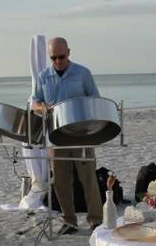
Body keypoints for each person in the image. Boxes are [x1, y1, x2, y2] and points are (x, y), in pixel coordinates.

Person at [30, 37, 103, 235]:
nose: (58, 62)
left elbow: (95, 99)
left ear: (69, 53)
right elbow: (33, 101)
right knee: (61, 181)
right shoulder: (44, 76)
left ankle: (96, 220)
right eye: (53, 58)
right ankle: (69, 221)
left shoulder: (82, 73)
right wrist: (41, 106)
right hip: (56, 135)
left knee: (88, 178)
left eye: (61, 57)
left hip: (81, 133)